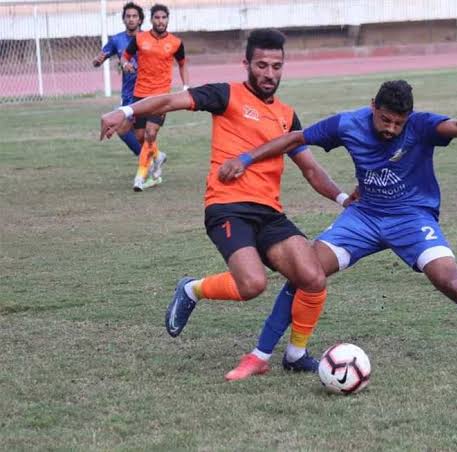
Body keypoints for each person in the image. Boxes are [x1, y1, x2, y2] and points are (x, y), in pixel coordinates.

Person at [218, 80, 457, 380]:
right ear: (373, 105)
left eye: (398, 124)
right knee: (306, 273)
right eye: (385, 119)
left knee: (452, 281)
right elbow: (295, 138)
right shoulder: (348, 123)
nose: (391, 129)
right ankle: (260, 356)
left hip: (412, 218)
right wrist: (246, 158)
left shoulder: (420, 125)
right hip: (364, 217)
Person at [100, 29, 356, 378]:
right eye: (262, 65)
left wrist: (343, 198)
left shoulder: (286, 115)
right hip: (227, 206)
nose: (269, 73)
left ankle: (296, 355)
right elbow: (171, 101)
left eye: (276, 66)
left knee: (312, 277)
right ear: (247, 63)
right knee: (252, 285)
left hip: (270, 213)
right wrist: (125, 109)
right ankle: (192, 288)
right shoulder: (225, 95)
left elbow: (310, 169)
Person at [121, 3, 189, 191]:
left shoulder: (176, 42)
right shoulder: (140, 38)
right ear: (151, 20)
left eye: (164, 18)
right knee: (141, 136)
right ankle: (158, 156)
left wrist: (185, 87)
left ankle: (140, 177)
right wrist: (125, 64)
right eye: (157, 18)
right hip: (140, 94)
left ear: (168, 19)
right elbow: (125, 56)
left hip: (161, 96)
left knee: (151, 133)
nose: (161, 21)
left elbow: (183, 64)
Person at [92, 2, 144, 159]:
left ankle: (149, 160)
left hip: (146, 91)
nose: (131, 19)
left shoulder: (147, 39)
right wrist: (97, 60)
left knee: (125, 129)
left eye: (134, 16)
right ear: (123, 19)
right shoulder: (117, 40)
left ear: (140, 20)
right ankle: (151, 162)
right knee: (135, 133)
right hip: (128, 93)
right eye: (128, 16)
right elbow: (97, 61)